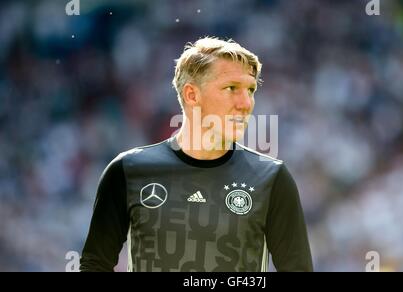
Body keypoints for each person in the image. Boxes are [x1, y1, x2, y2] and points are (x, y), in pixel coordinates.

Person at [80, 37, 313, 272]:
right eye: (231, 88)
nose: (245, 103)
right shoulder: (127, 170)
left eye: (250, 90)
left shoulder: (272, 178)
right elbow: (94, 265)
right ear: (192, 95)